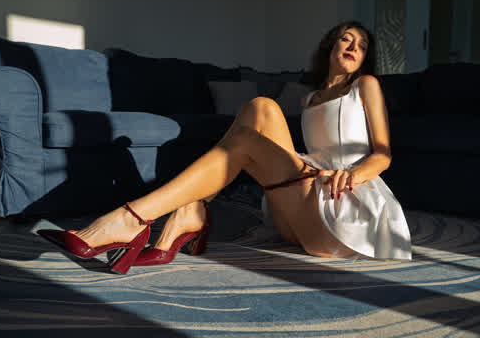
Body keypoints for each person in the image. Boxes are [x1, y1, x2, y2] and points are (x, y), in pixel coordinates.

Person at [38, 20, 413, 274]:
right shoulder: (309, 98)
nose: (354, 47)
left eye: (362, 45)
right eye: (347, 38)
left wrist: (352, 174)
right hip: (299, 210)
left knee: (247, 140)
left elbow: (383, 154)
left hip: (341, 207)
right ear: (331, 45)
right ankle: (191, 210)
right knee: (261, 107)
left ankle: (135, 218)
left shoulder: (365, 85)